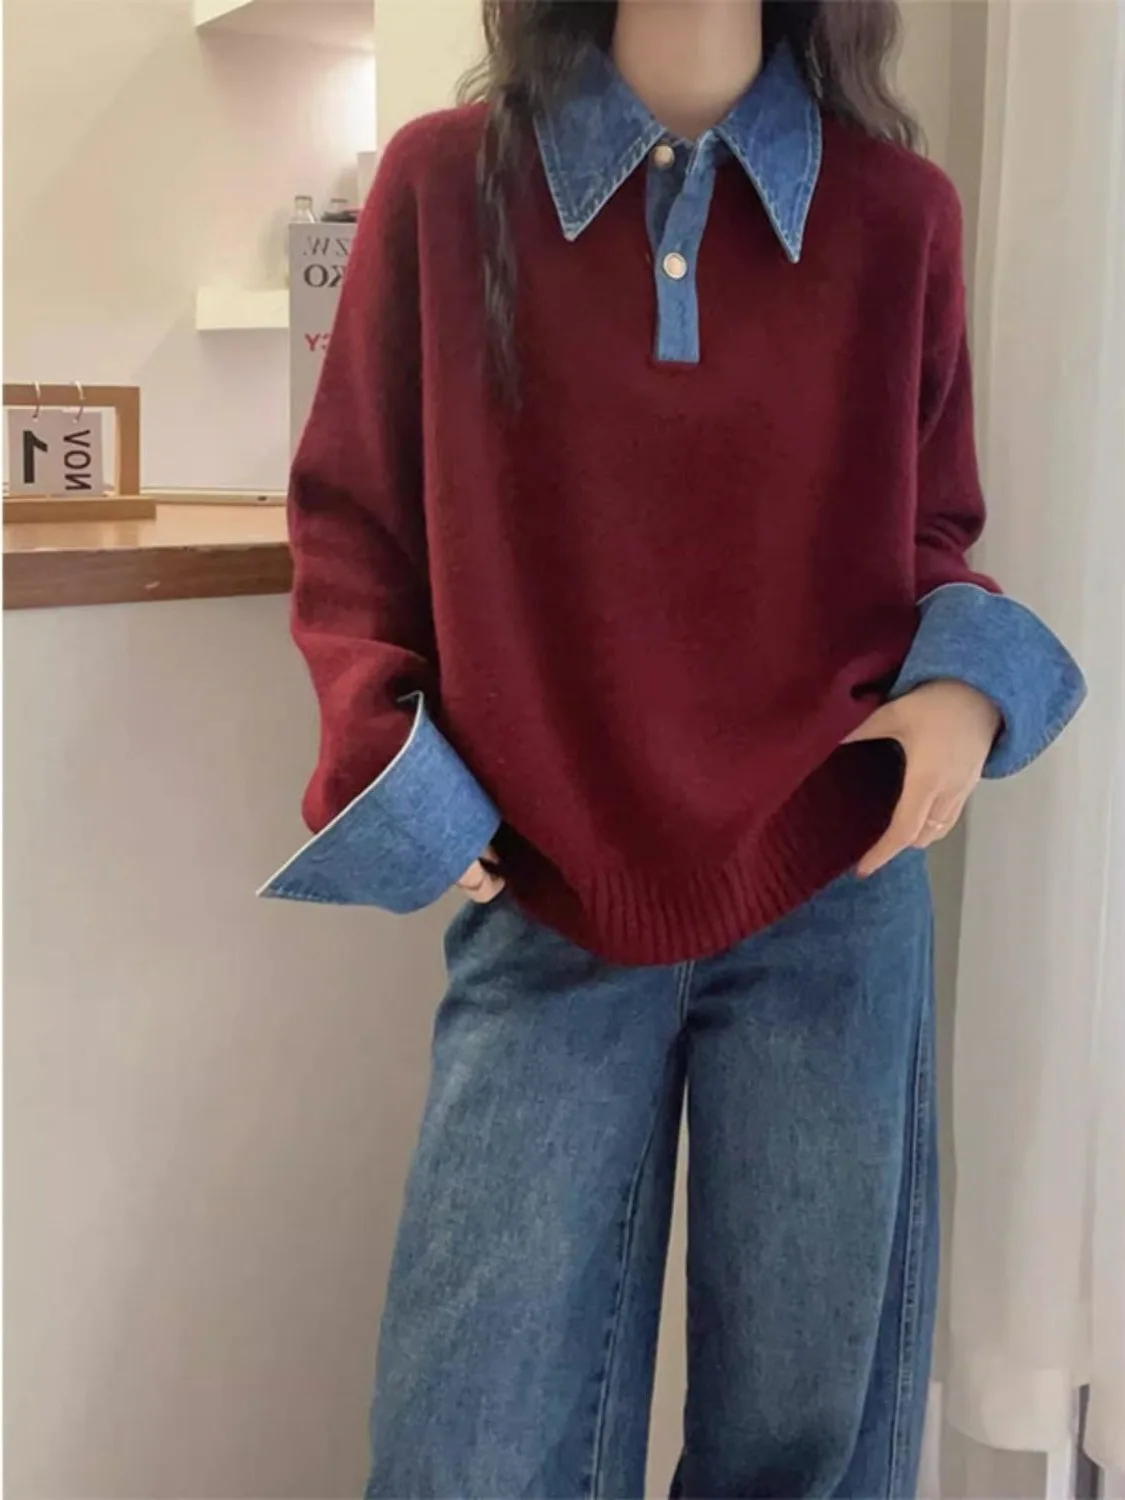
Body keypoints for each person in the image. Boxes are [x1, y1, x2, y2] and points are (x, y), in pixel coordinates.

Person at [276, 1, 1085, 1494]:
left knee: (806, 1445)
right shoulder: (446, 187)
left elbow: (932, 532)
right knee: (467, 1446)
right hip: (544, 892)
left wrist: (972, 686)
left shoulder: (895, 214)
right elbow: (353, 526)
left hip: (835, 885)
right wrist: (397, 763)